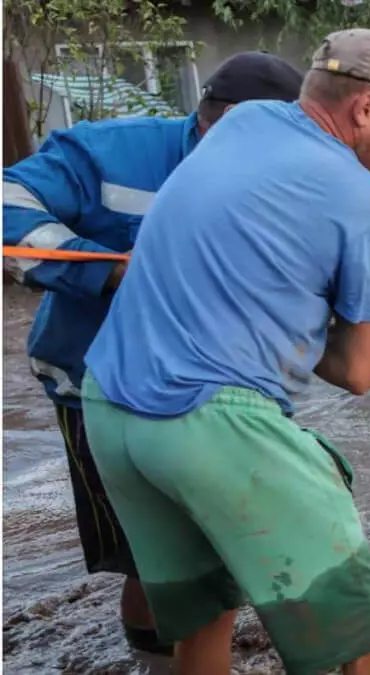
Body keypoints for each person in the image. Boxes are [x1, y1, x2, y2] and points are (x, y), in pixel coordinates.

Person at [81, 28, 370, 674]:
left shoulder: (244, 122)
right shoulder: (368, 201)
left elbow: (260, 265)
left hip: (109, 410)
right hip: (208, 420)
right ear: (367, 107)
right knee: (365, 621)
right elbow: (356, 372)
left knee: (205, 613)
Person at [1, 51, 306, 655]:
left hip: (220, 395)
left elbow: (355, 294)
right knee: (147, 555)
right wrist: (111, 271)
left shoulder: (288, 180)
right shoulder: (111, 153)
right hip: (94, 388)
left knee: (207, 552)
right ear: (220, 122)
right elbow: (7, 204)